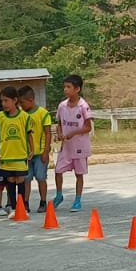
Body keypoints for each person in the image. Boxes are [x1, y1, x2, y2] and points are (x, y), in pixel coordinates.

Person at [52, 74, 94, 212]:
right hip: (66, 147)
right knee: (58, 170)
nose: (65, 89)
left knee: (79, 174)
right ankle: (59, 195)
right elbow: (59, 124)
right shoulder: (62, 106)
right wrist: (59, 133)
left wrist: (74, 132)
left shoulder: (83, 106)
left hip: (79, 146)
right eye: (64, 87)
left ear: (77, 89)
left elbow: (88, 127)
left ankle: (77, 200)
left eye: (68, 87)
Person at [0, 86, 32, 219]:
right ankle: (13, 208)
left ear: (15, 100)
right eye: (2, 101)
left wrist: (31, 150)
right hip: (6, 156)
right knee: (10, 181)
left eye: (6, 101)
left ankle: (22, 207)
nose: (3, 104)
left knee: (20, 180)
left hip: (20, 155)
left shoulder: (24, 117)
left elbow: (29, 135)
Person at [17, 85, 54, 211]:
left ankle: (43, 201)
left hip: (40, 152)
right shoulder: (20, 115)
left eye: (22, 102)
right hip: (25, 154)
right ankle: (25, 203)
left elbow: (48, 133)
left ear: (31, 100)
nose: (21, 105)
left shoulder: (43, 113)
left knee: (41, 177)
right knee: (26, 179)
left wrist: (46, 151)